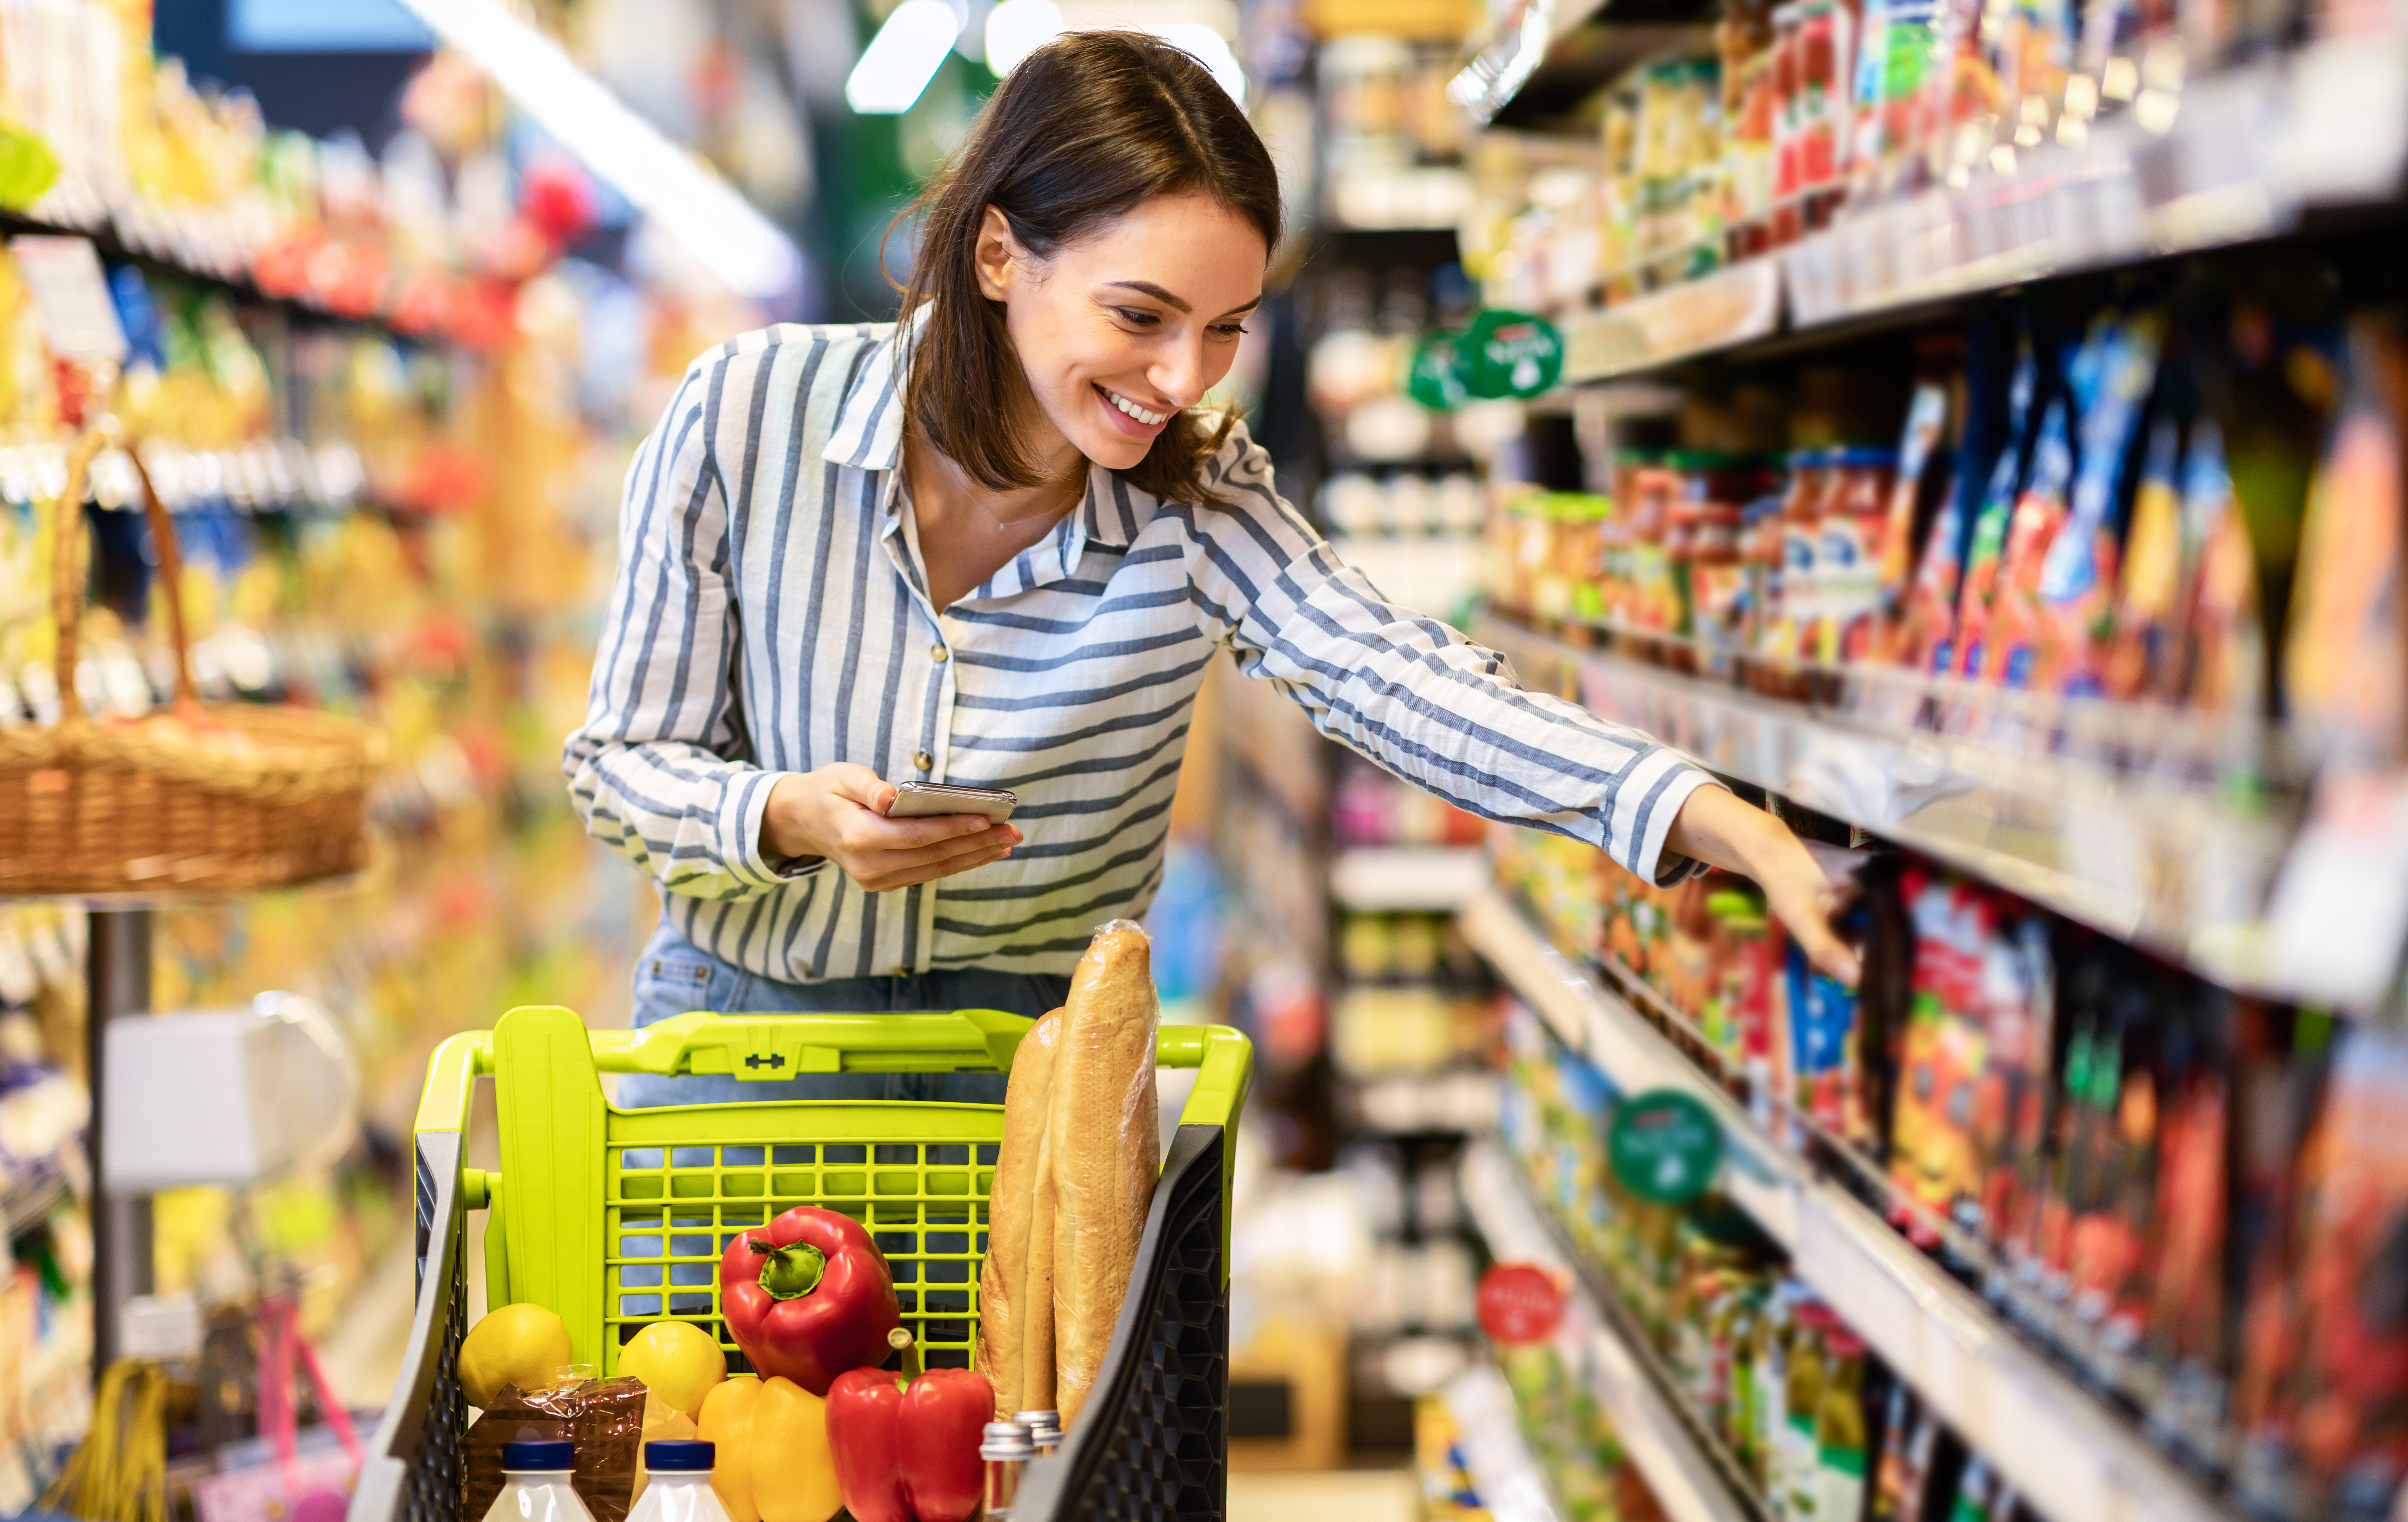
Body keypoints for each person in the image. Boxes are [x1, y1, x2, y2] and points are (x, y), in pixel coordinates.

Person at [566, 30, 1856, 1107]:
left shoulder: (1197, 493)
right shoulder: (748, 412)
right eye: (1139, 317)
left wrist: (1705, 812)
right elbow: (619, 762)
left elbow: (1394, 678)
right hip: (741, 1054)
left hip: (1040, 1077)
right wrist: (786, 818)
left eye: (1224, 328)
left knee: (1034, 1426)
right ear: (1001, 255)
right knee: (726, 1420)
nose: (1182, 381)